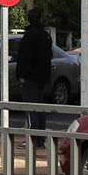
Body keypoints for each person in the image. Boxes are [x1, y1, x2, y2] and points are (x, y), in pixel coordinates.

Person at [16, 7, 52, 138]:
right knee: (40, 107)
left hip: (30, 77)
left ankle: (32, 137)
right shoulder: (46, 35)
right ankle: (40, 137)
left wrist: (21, 75)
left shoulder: (29, 35)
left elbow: (24, 57)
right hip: (42, 77)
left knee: (31, 108)